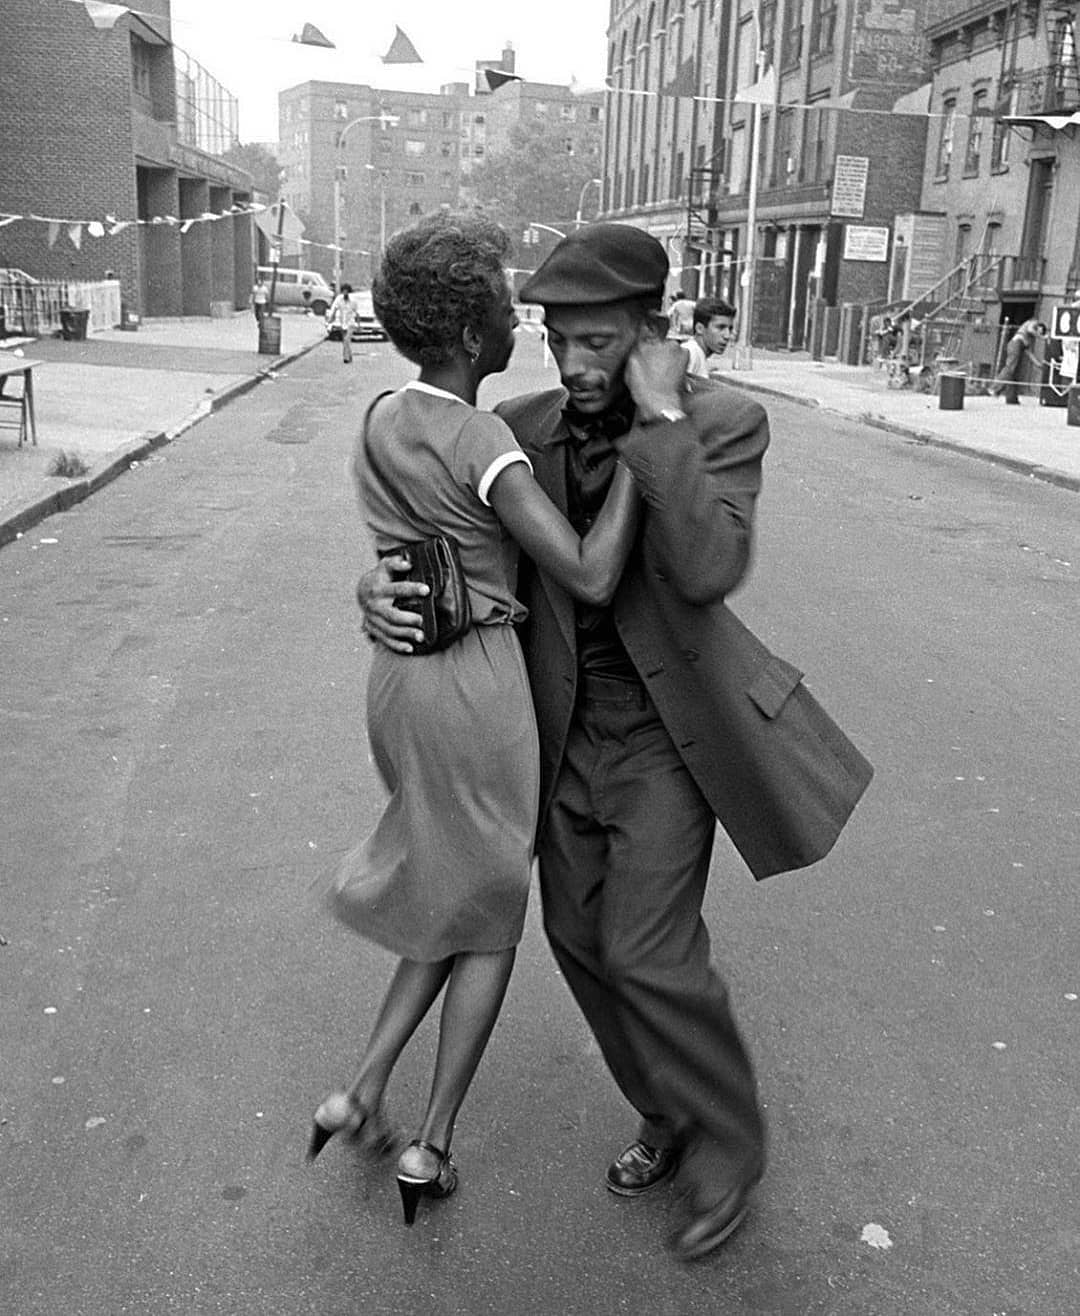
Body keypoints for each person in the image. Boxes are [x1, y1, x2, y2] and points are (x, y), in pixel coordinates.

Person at [359, 222, 873, 1260]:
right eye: (559, 340)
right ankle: (665, 1105)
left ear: (652, 332)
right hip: (546, 732)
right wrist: (374, 589)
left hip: (665, 737)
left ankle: (729, 1145)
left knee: (649, 945)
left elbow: (707, 565)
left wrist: (663, 418)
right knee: (580, 942)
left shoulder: (725, 421)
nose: (576, 364)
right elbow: (446, 549)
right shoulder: (515, 424)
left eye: (600, 343)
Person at [308, 213, 643, 1229]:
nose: (517, 321)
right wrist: (644, 455)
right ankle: (433, 1139)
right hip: (478, 688)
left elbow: (404, 542)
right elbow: (584, 573)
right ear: (465, 335)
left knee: (450, 889)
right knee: (490, 915)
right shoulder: (482, 436)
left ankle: (359, 1089)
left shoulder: (378, 416)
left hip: (398, 681)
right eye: (503, 307)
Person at [992, 317, 1048, 404]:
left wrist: (1038, 364)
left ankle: (1011, 398)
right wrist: (1042, 337)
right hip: (1015, 344)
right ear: (1040, 327)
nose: (1039, 333)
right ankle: (995, 388)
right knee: (1010, 368)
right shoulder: (1033, 322)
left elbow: (1029, 353)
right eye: (1041, 331)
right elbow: (1030, 329)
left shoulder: (1028, 339)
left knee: (1013, 373)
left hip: (1016, 345)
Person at [682, 295, 736, 375]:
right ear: (699, 328)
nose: (727, 336)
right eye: (720, 327)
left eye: (730, 329)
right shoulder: (691, 353)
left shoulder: (697, 354)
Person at [326, 283, 358, 363]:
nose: (345, 293)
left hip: (350, 323)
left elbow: (356, 312)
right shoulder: (339, 299)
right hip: (342, 322)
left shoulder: (353, 300)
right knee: (345, 341)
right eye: (344, 291)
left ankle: (346, 358)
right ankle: (349, 356)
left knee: (347, 339)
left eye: (346, 291)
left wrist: (359, 325)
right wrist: (331, 318)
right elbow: (334, 309)